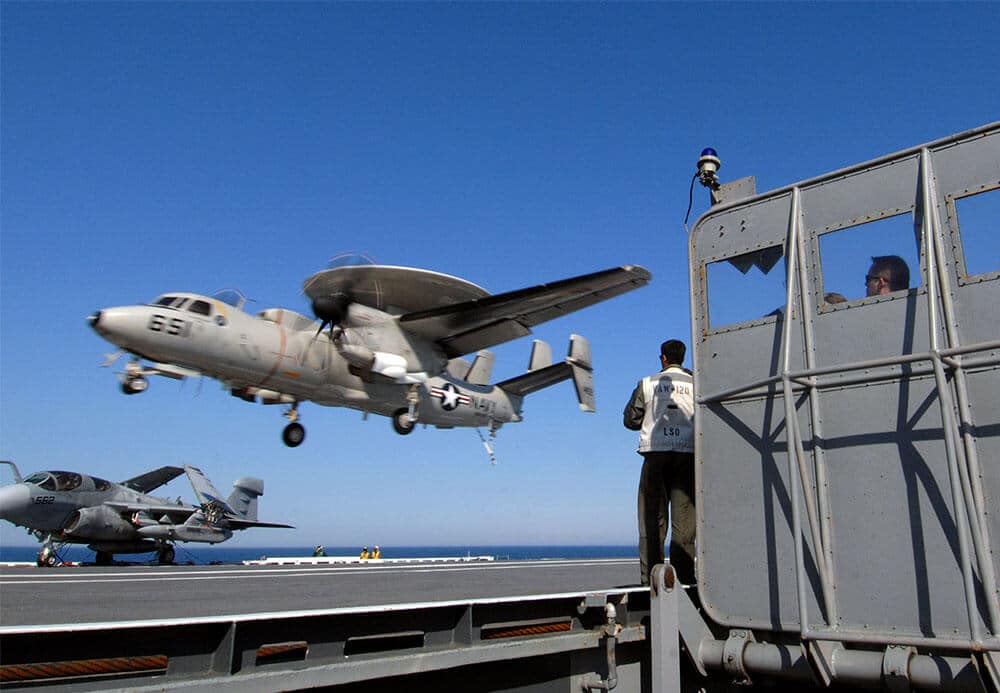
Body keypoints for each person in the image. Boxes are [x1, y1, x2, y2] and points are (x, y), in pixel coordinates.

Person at [623, 339, 696, 587]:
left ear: (663, 358)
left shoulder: (647, 384)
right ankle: (684, 580)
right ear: (683, 358)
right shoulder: (696, 382)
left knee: (652, 522)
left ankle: (650, 582)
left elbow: (630, 419)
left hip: (655, 456)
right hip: (687, 456)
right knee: (684, 525)